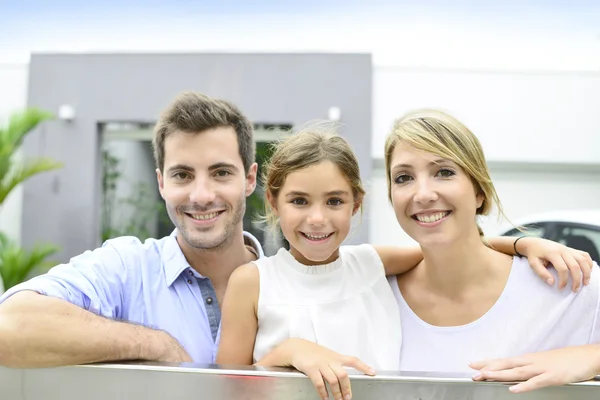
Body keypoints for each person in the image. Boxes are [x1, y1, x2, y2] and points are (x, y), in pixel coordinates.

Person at [216, 122, 594, 400]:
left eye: (334, 201)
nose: (317, 219)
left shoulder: (369, 265)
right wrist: (285, 353)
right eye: (299, 201)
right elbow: (218, 387)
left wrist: (523, 245)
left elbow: (453, 247)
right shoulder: (253, 281)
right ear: (273, 202)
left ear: (356, 204)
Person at [0, 91, 263, 367]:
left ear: (249, 179)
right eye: (182, 175)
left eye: (220, 173)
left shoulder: (290, 282)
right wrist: (154, 344)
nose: (201, 196)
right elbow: (9, 324)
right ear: (162, 183)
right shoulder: (127, 270)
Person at [383, 109, 599, 394]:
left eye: (444, 172)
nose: (422, 194)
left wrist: (591, 357)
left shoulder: (571, 282)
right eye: (403, 178)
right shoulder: (372, 296)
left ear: (479, 191)